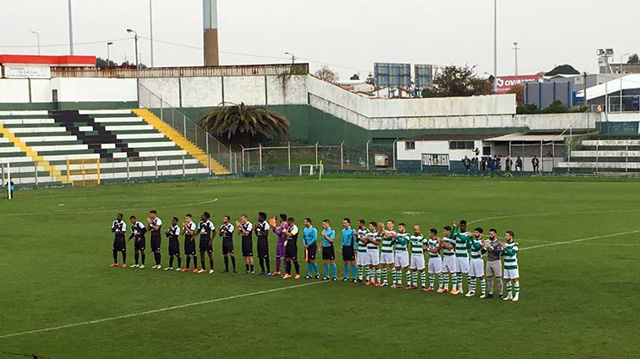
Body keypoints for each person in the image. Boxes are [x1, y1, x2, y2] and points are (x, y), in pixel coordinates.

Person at [451, 220, 471, 294]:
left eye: (463, 226)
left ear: (465, 226)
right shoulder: (457, 233)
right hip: (457, 256)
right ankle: (460, 289)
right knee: (458, 272)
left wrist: (457, 234)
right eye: (461, 226)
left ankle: (470, 289)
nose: (462, 227)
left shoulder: (467, 234)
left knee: (467, 273)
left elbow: (463, 240)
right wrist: (454, 228)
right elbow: (451, 237)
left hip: (464, 256)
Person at [466, 227, 487, 298]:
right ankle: (472, 291)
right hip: (472, 259)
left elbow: (476, 247)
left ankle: (483, 292)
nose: (475, 234)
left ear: (480, 234)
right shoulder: (473, 240)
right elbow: (468, 246)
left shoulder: (482, 241)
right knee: (472, 276)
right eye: (475, 232)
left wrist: (471, 238)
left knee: (481, 276)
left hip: (478, 260)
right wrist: (468, 239)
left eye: (477, 232)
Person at [501, 231, 520, 302]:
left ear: (511, 236)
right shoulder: (505, 244)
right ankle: (509, 295)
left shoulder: (515, 244)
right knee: (507, 280)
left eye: (507, 236)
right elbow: (502, 254)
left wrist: (505, 248)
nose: (505, 237)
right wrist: (502, 249)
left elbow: (512, 254)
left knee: (515, 280)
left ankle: (516, 295)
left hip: (513, 265)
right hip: (506, 265)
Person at [485, 228, 503, 299]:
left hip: (496, 262)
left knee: (498, 278)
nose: (490, 235)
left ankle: (500, 294)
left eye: (491, 234)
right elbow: (483, 252)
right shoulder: (488, 241)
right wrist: (484, 246)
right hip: (489, 261)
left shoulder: (498, 243)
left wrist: (490, 247)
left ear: (495, 234)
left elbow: (497, 252)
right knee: (489, 278)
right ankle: (490, 293)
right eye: (489, 234)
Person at [408, 225, 427, 290]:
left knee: (421, 270)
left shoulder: (422, 237)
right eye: (415, 230)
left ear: (419, 230)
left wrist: (424, 249)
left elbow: (426, 245)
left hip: (419, 256)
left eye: (417, 230)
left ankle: (423, 285)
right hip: (413, 255)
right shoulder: (411, 237)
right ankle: (414, 285)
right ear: (413, 230)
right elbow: (411, 245)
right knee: (413, 269)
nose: (416, 231)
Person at [440, 226, 457, 294]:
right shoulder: (444, 238)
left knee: (453, 273)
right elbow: (442, 246)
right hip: (445, 257)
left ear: (448, 231)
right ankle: (446, 288)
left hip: (451, 257)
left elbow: (450, 247)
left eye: (444, 231)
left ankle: (454, 288)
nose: (443, 233)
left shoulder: (453, 239)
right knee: (444, 272)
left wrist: (443, 243)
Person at [393, 223, 410, 289]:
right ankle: (399, 283)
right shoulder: (397, 234)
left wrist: (397, 237)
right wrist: (394, 238)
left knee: (405, 268)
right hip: (397, 252)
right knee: (397, 268)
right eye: (398, 227)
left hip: (403, 253)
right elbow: (392, 243)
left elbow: (403, 243)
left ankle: (408, 283)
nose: (399, 229)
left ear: (404, 228)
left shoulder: (407, 235)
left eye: (400, 227)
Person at [380, 220, 397, 287]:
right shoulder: (385, 231)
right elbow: (379, 235)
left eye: (389, 224)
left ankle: (394, 282)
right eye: (387, 224)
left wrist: (383, 229)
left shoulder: (393, 232)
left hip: (389, 252)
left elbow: (388, 236)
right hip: (383, 251)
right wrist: (380, 229)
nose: (388, 225)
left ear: (393, 225)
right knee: (383, 266)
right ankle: (385, 281)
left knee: (392, 266)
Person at [426, 228, 443, 292]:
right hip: (431, 258)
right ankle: (431, 286)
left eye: (430, 233)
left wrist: (427, 249)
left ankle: (441, 287)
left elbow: (436, 250)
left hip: (436, 258)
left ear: (433, 233)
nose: (429, 234)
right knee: (431, 273)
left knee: (439, 273)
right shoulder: (430, 240)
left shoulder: (437, 241)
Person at [341, 218, 358, 282]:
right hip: (345, 247)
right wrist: (341, 248)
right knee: (345, 262)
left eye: (345, 223)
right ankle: (346, 276)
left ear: (348, 223)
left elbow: (354, 240)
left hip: (350, 248)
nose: (344, 224)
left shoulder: (352, 231)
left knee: (353, 262)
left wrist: (354, 248)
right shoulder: (343, 231)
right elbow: (342, 239)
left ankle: (355, 277)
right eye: (343, 223)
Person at [366, 221, 381, 286]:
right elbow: (365, 242)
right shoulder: (368, 233)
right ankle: (372, 280)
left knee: (376, 266)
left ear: (374, 227)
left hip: (375, 251)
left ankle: (378, 281)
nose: (369, 227)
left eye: (371, 226)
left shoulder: (378, 234)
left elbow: (377, 243)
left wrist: (369, 240)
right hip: (368, 250)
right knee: (370, 265)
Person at [356, 219, 370, 284]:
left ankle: (367, 278)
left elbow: (365, 242)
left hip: (365, 250)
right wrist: (357, 236)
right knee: (360, 264)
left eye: (358, 223)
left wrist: (358, 236)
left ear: (362, 224)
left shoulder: (367, 232)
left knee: (366, 265)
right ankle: (360, 278)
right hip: (359, 250)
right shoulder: (359, 230)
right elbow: (357, 240)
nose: (357, 224)